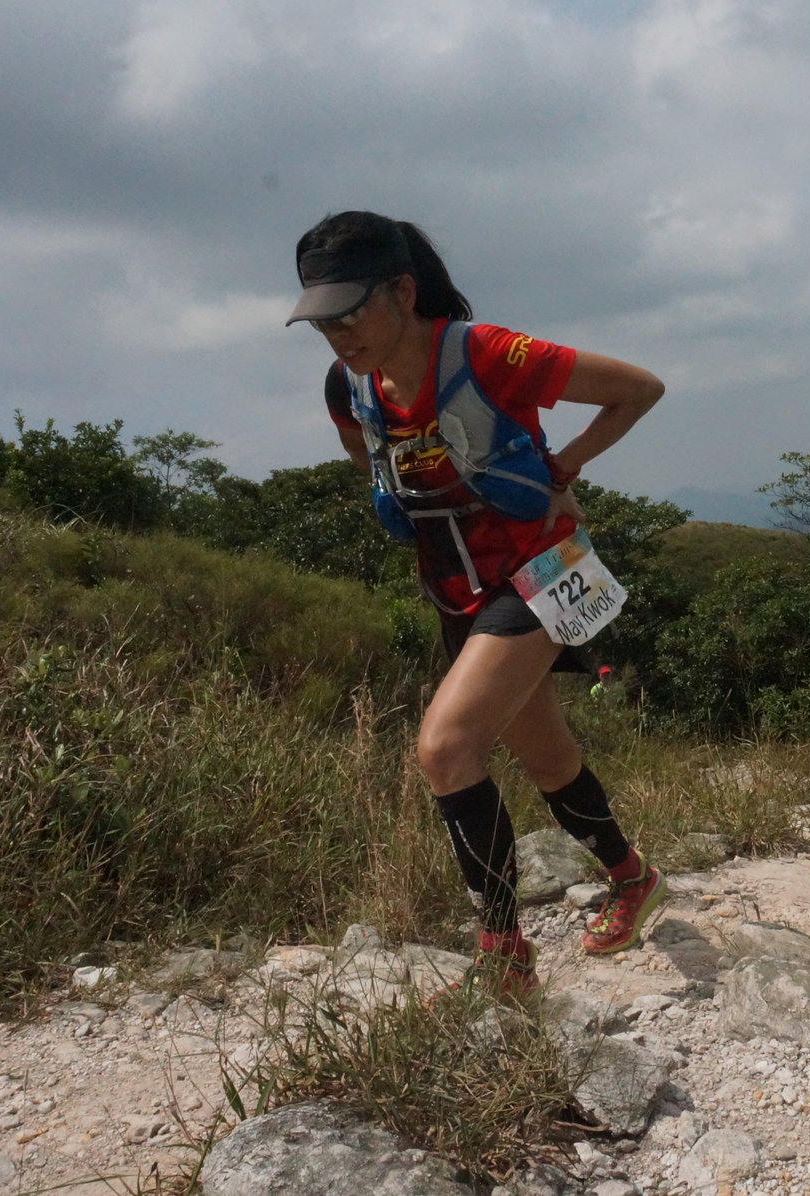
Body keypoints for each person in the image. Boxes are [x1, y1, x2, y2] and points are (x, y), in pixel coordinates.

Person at [288, 211, 666, 997]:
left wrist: (562, 470)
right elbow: (365, 455)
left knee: (445, 749)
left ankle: (504, 955)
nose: (337, 334)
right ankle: (632, 876)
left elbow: (638, 390)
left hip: (539, 573)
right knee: (546, 757)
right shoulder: (347, 387)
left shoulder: (490, 353)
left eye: (350, 311)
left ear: (402, 291)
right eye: (322, 319)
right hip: (453, 590)